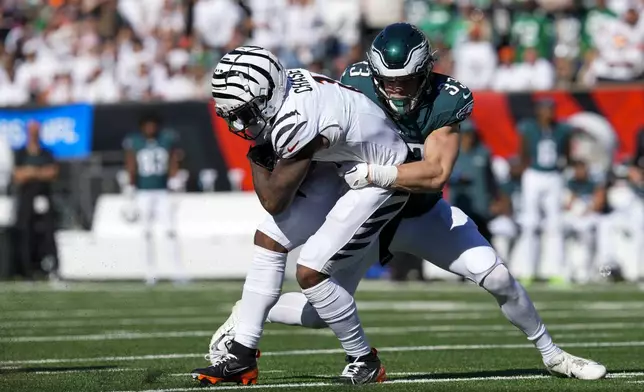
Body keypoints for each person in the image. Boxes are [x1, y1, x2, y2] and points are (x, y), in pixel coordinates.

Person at [199, 25, 606, 383]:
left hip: (419, 212)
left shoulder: (444, 101)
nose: (393, 89)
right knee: (319, 306)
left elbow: (434, 173)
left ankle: (554, 355)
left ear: (425, 72)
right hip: (360, 206)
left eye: (405, 80)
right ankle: (252, 313)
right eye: (385, 80)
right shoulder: (355, 84)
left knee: (497, 277)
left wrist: (378, 174)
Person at [192, 45, 410, 386]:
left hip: (381, 174)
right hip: (341, 162)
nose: (240, 123)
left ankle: (363, 359)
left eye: (245, 113)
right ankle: (241, 356)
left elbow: (275, 199)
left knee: (310, 271)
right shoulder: (287, 91)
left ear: (267, 95)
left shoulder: (296, 118)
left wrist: (255, 156)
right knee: (270, 239)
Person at [122, 113, 186, 285]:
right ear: (142, 127)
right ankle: (150, 272)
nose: (151, 128)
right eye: (147, 125)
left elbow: (173, 159)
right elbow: (131, 163)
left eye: (153, 125)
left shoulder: (166, 139)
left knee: (170, 231)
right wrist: (131, 184)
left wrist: (174, 178)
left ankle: (177, 271)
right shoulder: (134, 141)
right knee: (146, 232)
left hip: (162, 191)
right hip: (143, 192)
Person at [516, 98, 571, 285]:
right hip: (534, 175)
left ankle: (557, 271)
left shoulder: (562, 129)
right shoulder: (529, 128)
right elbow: (523, 153)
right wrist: (524, 171)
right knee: (530, 223)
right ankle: (528, 271)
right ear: (538, 111)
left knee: (555, 223)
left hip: (554, 175)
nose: (549, 113)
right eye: (545, 109)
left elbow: (567, 153)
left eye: (551, 109)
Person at [12, 121, 59, 280]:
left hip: (43, 198)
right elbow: (18, 175)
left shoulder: (46, 153)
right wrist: (39, 172)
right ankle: (26, 269)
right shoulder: (21, 154)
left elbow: (52, 173)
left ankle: (51, 267)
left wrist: (31, 172)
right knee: (25, 232)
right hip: (26, 198)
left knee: (48, 232)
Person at [447, 120, 497, 242]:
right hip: (461, 208)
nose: (468, 137)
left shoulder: (483, 153)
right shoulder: (451, 154)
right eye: (465, 133)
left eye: (471, 133)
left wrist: (496, 199)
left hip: (481, 208)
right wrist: (457, 177)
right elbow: (443, 176)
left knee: (484, 241)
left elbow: (491, 179)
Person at [562, 160, 606, 283]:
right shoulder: (570, 183)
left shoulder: (593, 183)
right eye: (577, 169)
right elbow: (566, 204)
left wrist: (586, 209)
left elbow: (599, 203)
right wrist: (574, 204)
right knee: (563, 230)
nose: (580, 172)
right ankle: (567, 268)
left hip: (589, 216)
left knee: (589, 234)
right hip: (574, 217)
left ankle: (587, 269)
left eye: (582, 169)